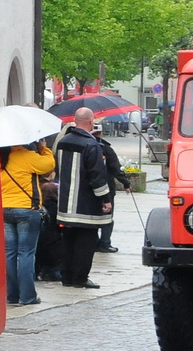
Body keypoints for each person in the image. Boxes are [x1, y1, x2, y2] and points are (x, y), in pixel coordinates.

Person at [54, 107, 113, 288]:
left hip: (65, 204)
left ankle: (67, 277)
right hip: (85, 205)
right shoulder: (92, 145)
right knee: (86, 243)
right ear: (90, 121)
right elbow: (97, 176)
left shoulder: (63, 142)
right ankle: (80, 278)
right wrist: (105, 199)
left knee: (68, 242)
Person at [1, 138, 55, 306]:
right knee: (25, 254)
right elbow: (48, 166)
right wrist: (44, 148)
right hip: (26, 209)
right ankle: (27, 297)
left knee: (10, 253)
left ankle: (12, 295)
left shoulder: (0, 158)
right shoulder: (27, 156)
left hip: (4, 209)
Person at [94, 121, 134, 252]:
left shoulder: (85, 146)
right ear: (101, 133)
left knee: (92, 217)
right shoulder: (107, 149)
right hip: (107, 188)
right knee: (108, 217)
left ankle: (93, 243)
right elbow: (116, 168)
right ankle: (105, 243)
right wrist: (126, 184)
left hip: (89, 188)